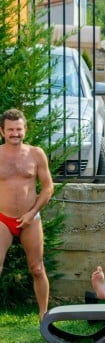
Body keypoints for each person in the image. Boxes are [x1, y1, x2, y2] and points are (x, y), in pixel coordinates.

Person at [0, 108, 54, 319]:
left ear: (25, 129)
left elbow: (48, 187)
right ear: (2, 131)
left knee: (38, 268)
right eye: (11, 129)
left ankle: (44, 316)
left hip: (31, 218)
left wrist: (32, 213)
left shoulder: (36, 154)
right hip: (2, 219)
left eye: (19, 129)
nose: (15, 133)